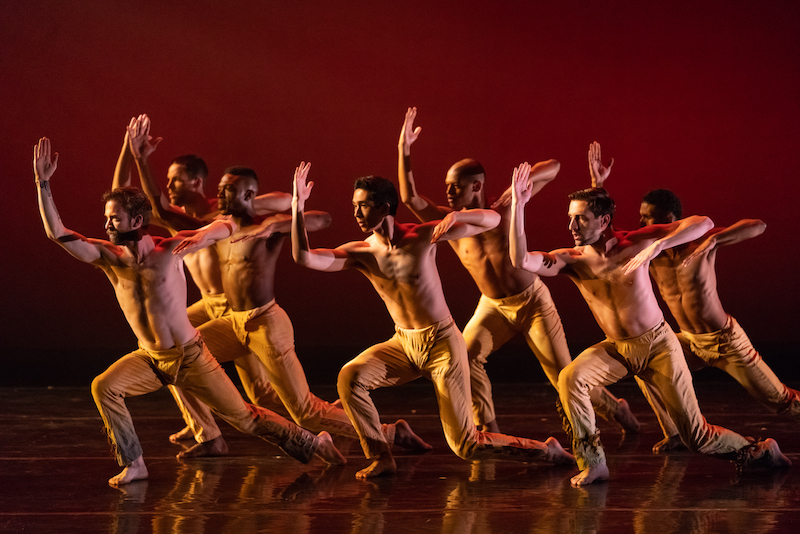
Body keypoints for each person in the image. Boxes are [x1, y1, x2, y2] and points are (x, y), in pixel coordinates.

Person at [33, 137, 345, 486]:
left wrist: (220, 232)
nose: (106, 225)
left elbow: (224, 225)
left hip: (191, 356)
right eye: (107, 219)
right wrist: (43, 183)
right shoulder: (108, 257)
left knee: (245, 418)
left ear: (136, 220)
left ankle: (312, 440)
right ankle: (134, 462)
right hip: (151, 358)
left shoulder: (170, 250)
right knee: (104, 386)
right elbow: (56, 232)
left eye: (113, 219)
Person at [508, 162, 791, 486]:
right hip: (618, 349)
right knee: (570, 378)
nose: (572, 225)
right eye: (571, 217)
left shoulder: (637, 242)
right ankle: (594, 462)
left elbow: (705, 222)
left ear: (603, 222)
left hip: (658, 345)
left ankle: (762, 451)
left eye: (581, 218)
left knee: (695, 436)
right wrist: (519, 204)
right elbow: (521, 260)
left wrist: (659, 243)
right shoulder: (572, 260)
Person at [290, 162, 574, 479]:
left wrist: (458, 216)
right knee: (350, 378)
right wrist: (297, 208)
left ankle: (546, 450)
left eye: (363, 206)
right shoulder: (361, 252)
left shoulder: (422, 236)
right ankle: (381, 455)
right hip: (403, 344)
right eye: (354, 206)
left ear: (384, 207)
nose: (356, 213)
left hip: (442, 345)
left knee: (466, 446)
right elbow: (305, 257)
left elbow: (492, 219)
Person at [397, 107, 639, 434]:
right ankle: (489, 429)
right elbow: (409, 195)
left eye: (456, 186)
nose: (449, 192)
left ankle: (614, 408)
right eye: (447, 186)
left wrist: (518, 187)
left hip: (531, 302)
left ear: (477, 185)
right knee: (467, 358)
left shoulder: (506, 207)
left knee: (562, 374)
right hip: (492, 305)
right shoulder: (447, 220)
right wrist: (404, 149)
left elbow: (553, 167)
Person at [171, 155, 428, 454]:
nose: (220, 195)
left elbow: (324, 219)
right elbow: (180, 220)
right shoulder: (222, 226)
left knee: (305, 411)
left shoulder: (266, 224)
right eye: (221, 188)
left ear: (249, 195)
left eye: (228, 190)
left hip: (265, 323)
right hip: (233, 322)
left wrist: (285, 216)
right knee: (181, 359)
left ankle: (390, 433)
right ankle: (210, 435)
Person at [117, 114, 328, 457]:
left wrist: (283, 210)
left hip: (234, 307)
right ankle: (207, 431)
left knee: (263, 394)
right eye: (167, 181)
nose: (169, 188)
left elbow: (285, 207)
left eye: (176, 181)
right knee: (167, 354)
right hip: (206, 305)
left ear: (197, 183)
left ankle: (332, 427)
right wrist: (136, 155)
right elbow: (140, 199)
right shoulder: (182, 221)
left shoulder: (224, 214)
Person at [589, 143, 800, 451]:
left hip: (725, 341)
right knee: (646, 368)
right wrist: (598, 185)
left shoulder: (698, 244)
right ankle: (675, 433)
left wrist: (712, 241)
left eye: (647, 218)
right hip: (689, 341)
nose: (641, 224)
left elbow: (758, 226)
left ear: (669, 218)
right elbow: (605, 233)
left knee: (780, 400)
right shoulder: (649, 252)